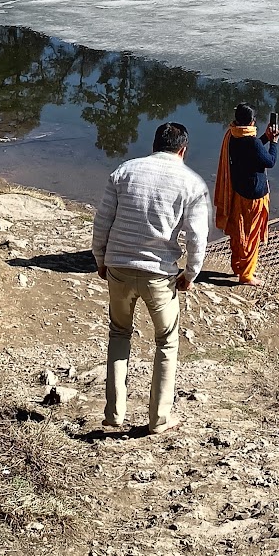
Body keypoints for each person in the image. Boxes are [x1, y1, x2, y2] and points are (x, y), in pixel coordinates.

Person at [91, 120, 209, 437]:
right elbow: (198, 238)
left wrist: (101, 259)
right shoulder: (192, 184)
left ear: (153, 145)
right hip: (160, 276)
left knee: (119, 334)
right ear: (183, 150)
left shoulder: (124, 172)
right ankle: (159, 418)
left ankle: (114, 413)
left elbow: (102, 222)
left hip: (119, 268)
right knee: (167, 343)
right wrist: (190, 273)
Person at [213, 103, 279, 285]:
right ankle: (247, 275)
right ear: (252, 121)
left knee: (239, 231)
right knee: (250, 236)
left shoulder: (233, 135)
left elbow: (253, 150)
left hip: (238, 192)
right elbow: (269, 161)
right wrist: (273, 142)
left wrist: (265, 138)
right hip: (254, 196)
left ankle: (237, 267)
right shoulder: (251, 142)